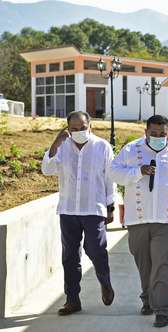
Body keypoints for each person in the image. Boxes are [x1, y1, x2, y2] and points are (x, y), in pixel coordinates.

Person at [110, 115, 168, 328]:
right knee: (144, 263)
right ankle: (148, 297)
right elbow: (113, 172)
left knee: (162, 263)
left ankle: (161, 309)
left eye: (163, 134)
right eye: (154, 134)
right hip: (137, 219)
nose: (158, 137)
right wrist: (137, 172)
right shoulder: (131, 150)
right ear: (146, 131)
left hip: (167, 221)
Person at [41, 111, 115, 316]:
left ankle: (105, 281)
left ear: (90, 125)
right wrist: (55, 144)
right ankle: (72, 300)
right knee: (70, 257)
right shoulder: (62, 147)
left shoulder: (102, 147)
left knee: (96, 249)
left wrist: (111, 206)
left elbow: (110, 178)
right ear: (68, 129)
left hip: (94, 208)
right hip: (68, 210)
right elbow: (47, 170)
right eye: (74, 129)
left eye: (82, 128)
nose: (79, 132)